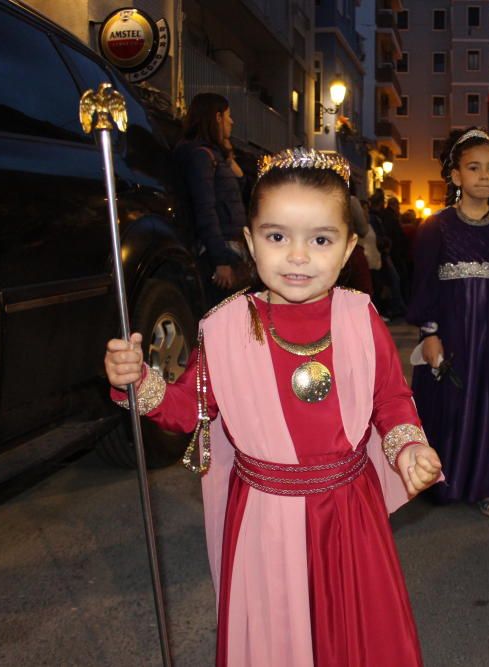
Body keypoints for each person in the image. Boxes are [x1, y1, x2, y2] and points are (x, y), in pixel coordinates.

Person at [105, 148, 442, 665]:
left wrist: (408, 446)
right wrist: (138, 380)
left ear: (350, 246)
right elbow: (185, 411)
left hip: (348, 514)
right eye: (277, 236)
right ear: (249, 241)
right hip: (262, 516)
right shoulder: (225, 328)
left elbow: (391, 400)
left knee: (351, 633)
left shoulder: (359, 316)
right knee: (274, 635)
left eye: (321, 239)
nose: (298, 256)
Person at [407, 128, 489, 518]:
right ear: (455, 175)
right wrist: (429, 333)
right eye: (474, 168)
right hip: (452, 329)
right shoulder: (436, 227)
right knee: (452, 401)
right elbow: (425, 283)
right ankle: (445, 477)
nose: (484, 175)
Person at [174, 93, 251, 308]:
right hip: (218, 252)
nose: (232, 122)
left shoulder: (215, 155)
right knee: (222, 322)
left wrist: (230, 161)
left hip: (229, 249)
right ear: (217, 118)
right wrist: (221, 261)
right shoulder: (201, 156)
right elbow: (205, 209)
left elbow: (236, 192)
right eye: (228, 116)